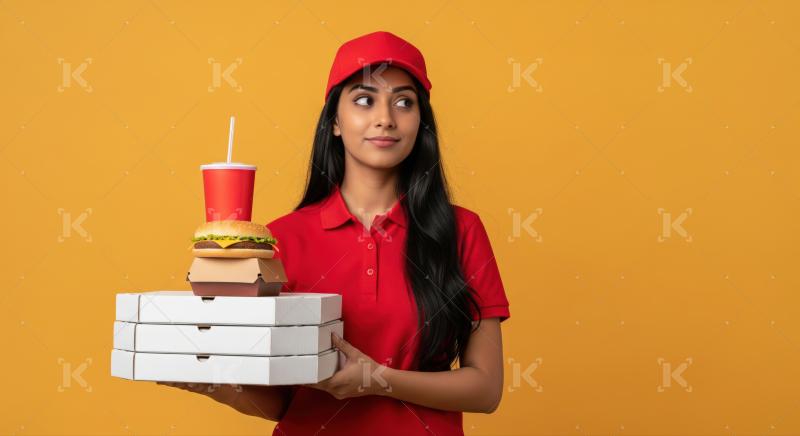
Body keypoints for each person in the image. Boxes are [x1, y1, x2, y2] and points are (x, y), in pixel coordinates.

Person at [161, 30, 511, 435]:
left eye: (404, 102)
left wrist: (377, 378)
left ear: (421, 124)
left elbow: (486, 389)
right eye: (364, 100)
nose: (385, 117)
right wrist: (217, 385)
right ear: (335, 123)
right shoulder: (278, 241)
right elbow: (284, 403)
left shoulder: (461, 231)